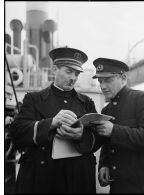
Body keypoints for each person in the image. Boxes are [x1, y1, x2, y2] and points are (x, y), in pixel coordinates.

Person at [9, 47, 102, 193]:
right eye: (68, 71)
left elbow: (98, 137)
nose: (73, 78)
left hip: (76, 180)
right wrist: (51, 123)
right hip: (42, 178)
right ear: (54, 69)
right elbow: (17, 132)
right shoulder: (33, 99)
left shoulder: (87, 103)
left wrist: (81, 135)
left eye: (77, 73)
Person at [92, 57, 144, 193]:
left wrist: (114, 131)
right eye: (100, 81)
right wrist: (104, 164)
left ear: (123, 78)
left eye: (108, 80)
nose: (103, 86)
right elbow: (107, 143)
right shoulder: (106, 110)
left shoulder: (143, 100)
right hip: (120, 186)